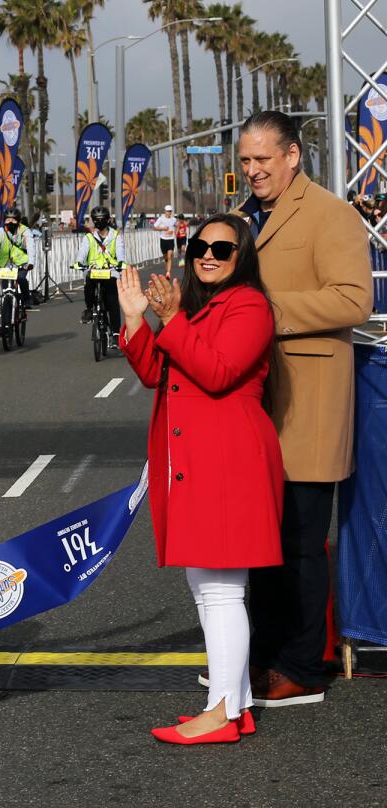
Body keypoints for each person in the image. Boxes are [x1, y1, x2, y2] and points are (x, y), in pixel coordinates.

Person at [119, 213, 283, 745]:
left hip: (229, 457)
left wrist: (171, 322)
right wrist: (137, 319)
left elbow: (216, 371)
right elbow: (154, 373)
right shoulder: (198, 306)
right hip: (200, 458)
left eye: (222, 248)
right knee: (207, 586)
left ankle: (223, 710)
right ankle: (236, 702)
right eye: (199, 246)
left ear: (243, 257)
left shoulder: (251, 305)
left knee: (221, 589)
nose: (207, 255)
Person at [233, 111, 374, 707]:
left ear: (294, 156)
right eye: (245, 160)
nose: (253, 170)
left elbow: (354, 299)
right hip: (251, 404)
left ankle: (301, 668)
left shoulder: (331, 214)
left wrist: (266, 309)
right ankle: (261, 658)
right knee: (257, 542)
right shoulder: (240, 218)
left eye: (263, 159)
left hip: (309, 405)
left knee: (300, 542)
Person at [75, 205, 125, 346]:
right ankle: (89, 309)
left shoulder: (115, 236)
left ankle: (116, 334)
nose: (99, 222)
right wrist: (79, 262)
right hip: (94, 271)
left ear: (108, 220)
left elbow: (120, 253)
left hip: (111, 272)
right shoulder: (89, 238)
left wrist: (121, 263)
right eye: (96, 220)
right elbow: (82, 252)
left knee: (112, 301)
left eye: (102, 219)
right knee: (88, 284)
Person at [0, 206, 37, 331]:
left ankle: (26, 298)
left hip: (22, 263)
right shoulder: (0, 231)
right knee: (6, 293)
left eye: (13, 220)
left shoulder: (25, 231)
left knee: (21, 278)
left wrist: (30, 262)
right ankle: (5, 325)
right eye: (8, 220)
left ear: (18, 220)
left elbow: (31, 246)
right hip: (5, 265)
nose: (10, 223)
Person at [154, 204, 177, 275]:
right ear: (165, 211)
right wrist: (163, 228)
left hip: (171, 239)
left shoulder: (174, 219)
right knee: (166, 256)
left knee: (169, 256)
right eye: (168, 211)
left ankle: (168, 272)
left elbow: (176, 225)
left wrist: (175, 231)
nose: (169, 212)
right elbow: (154, 227)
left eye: (170, 211)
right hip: (163, 239)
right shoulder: (161, 219)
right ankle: (166, 262)